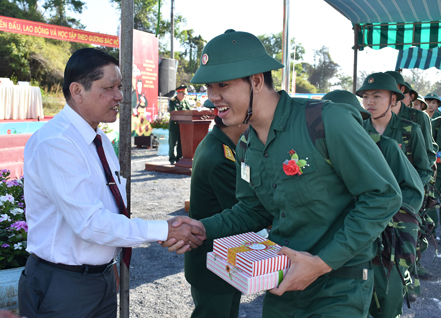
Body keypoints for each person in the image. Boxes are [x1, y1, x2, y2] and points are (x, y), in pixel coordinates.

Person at [165, 29, 402, 318]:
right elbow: (253, 211)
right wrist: (202, 228)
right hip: (282, 284)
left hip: (338, 286)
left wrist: (322, 262)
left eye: (222, 85)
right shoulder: (246, 146)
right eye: (208, 87)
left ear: (256, 80)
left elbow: (383, 196)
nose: (212, 97)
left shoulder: (326, 121)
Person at [18, 48, 205, 318]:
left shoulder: (100, 140)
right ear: (77, 90)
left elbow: (109, 208)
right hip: (62, 285)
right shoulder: (56, 143)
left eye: (120, 87)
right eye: (109, 88)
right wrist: (164, 230)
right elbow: (90, 223)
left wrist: (107, 262)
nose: (119, 96)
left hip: (99, 279)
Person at [323, 89, 424, 318]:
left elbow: (412, 191)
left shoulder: (382, 146)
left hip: (381, 245)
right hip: (337, 246)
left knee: (385, 300)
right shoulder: (311, 154)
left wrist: (380, 221)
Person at [185, 99, 248, 318]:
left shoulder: (219, 143)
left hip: (219, 258)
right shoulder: (221, 157)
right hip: (216, 261)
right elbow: (243, 212)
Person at [168, 85, 191, 165]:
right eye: (183, 94)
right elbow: (174, 112)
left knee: (181, 144)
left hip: (183, 126)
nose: (184, 96)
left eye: (185, 94)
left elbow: (189, 111)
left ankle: (179, 158)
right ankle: (172, 158)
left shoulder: (185, 102)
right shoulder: (173, 101)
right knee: (172, 143)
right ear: (178, 93)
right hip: (174, 126)